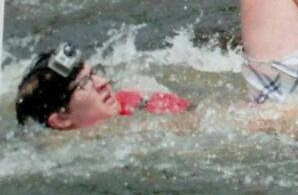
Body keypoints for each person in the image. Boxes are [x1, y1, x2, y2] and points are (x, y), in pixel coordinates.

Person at [15, 43, 189, 130]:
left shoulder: (144, 108)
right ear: (61, 118)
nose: (103, 82)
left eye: (94, 73)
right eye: (84, 83)